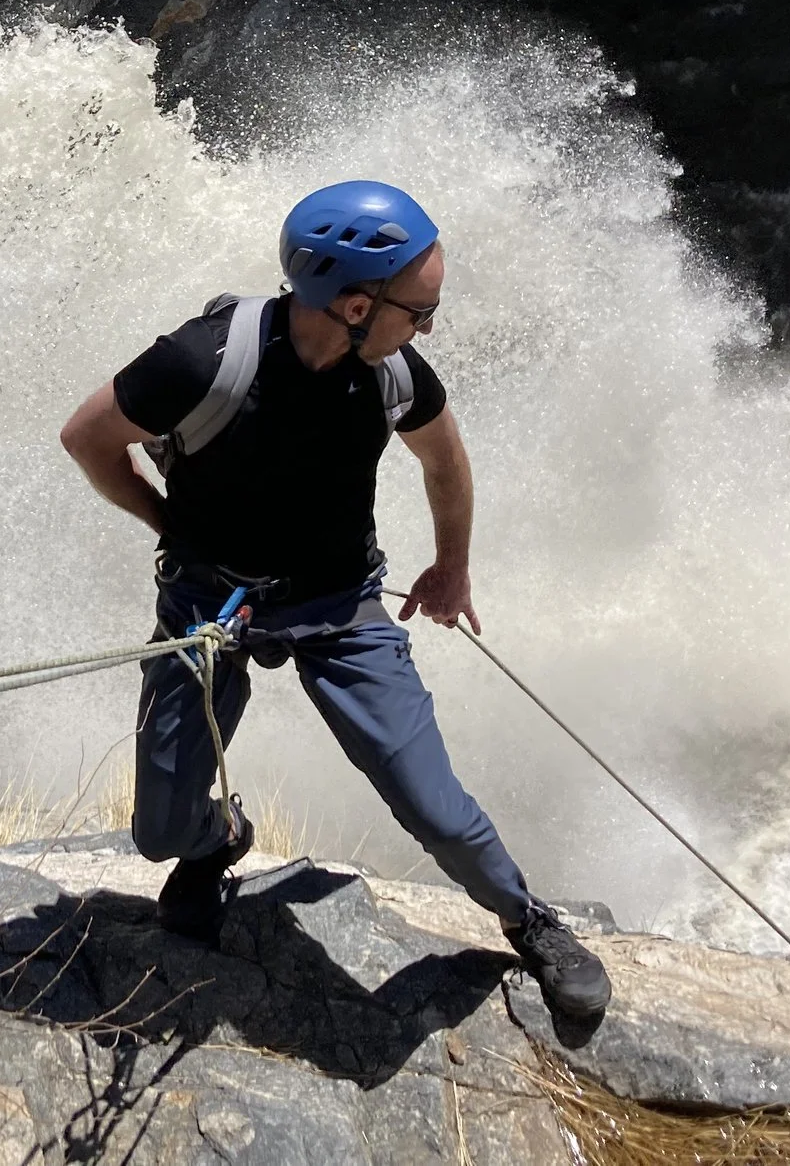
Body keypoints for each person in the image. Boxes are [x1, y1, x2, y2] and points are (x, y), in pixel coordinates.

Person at [60, 179, 612, 1024]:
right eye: (419, 311)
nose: (426, 328)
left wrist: (451, 568)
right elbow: (89, 435)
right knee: (161, 833)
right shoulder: (203, 360)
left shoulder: (390, 373)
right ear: (356, 304)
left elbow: (445, 465)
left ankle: (527, 919)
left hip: (339, 604)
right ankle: (219, 840)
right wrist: (166, 522)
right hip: (210, 608)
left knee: (435, 808)